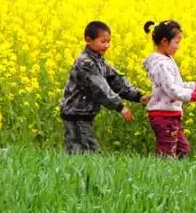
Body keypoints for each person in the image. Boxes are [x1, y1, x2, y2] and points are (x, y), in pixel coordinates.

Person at [59, 21, 148, 154]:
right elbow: (100, 88)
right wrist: (120, 107)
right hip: (75, 113)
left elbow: (116, 80)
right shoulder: (86, 63)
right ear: (88, 40)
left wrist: (138, 96)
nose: (107, 45)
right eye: (103, 41)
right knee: (86, 152)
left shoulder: (99, 61)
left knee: (83, 152)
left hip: (82, 113)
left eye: (108, 41)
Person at [142, 19, 196, 158]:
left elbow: (177, 84)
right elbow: (172, 90)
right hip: (163, 115)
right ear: (164, 41)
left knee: (183, 149)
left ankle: (174, 171)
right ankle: (161, 171)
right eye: (176, 42)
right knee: (167, 152)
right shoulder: (161, 64)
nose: (178, 47)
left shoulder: (167, 59)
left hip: (170, 114)